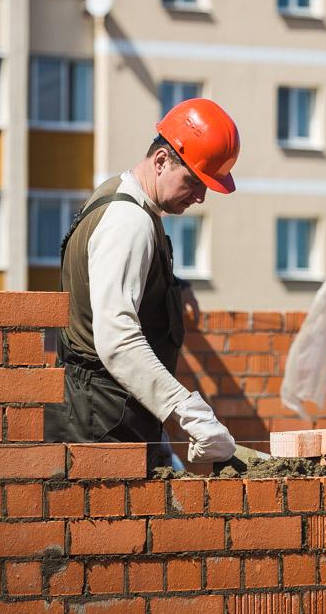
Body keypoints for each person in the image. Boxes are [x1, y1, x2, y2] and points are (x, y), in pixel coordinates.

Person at [45, 98, 239, 465]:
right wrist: (185, 410)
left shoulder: (120, 197)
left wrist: (173, 287)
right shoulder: (129, 221)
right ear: (162, 160)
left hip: (106, 413)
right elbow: (117, 337)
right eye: (194, 181)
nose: (200, 196)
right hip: (101, 425)